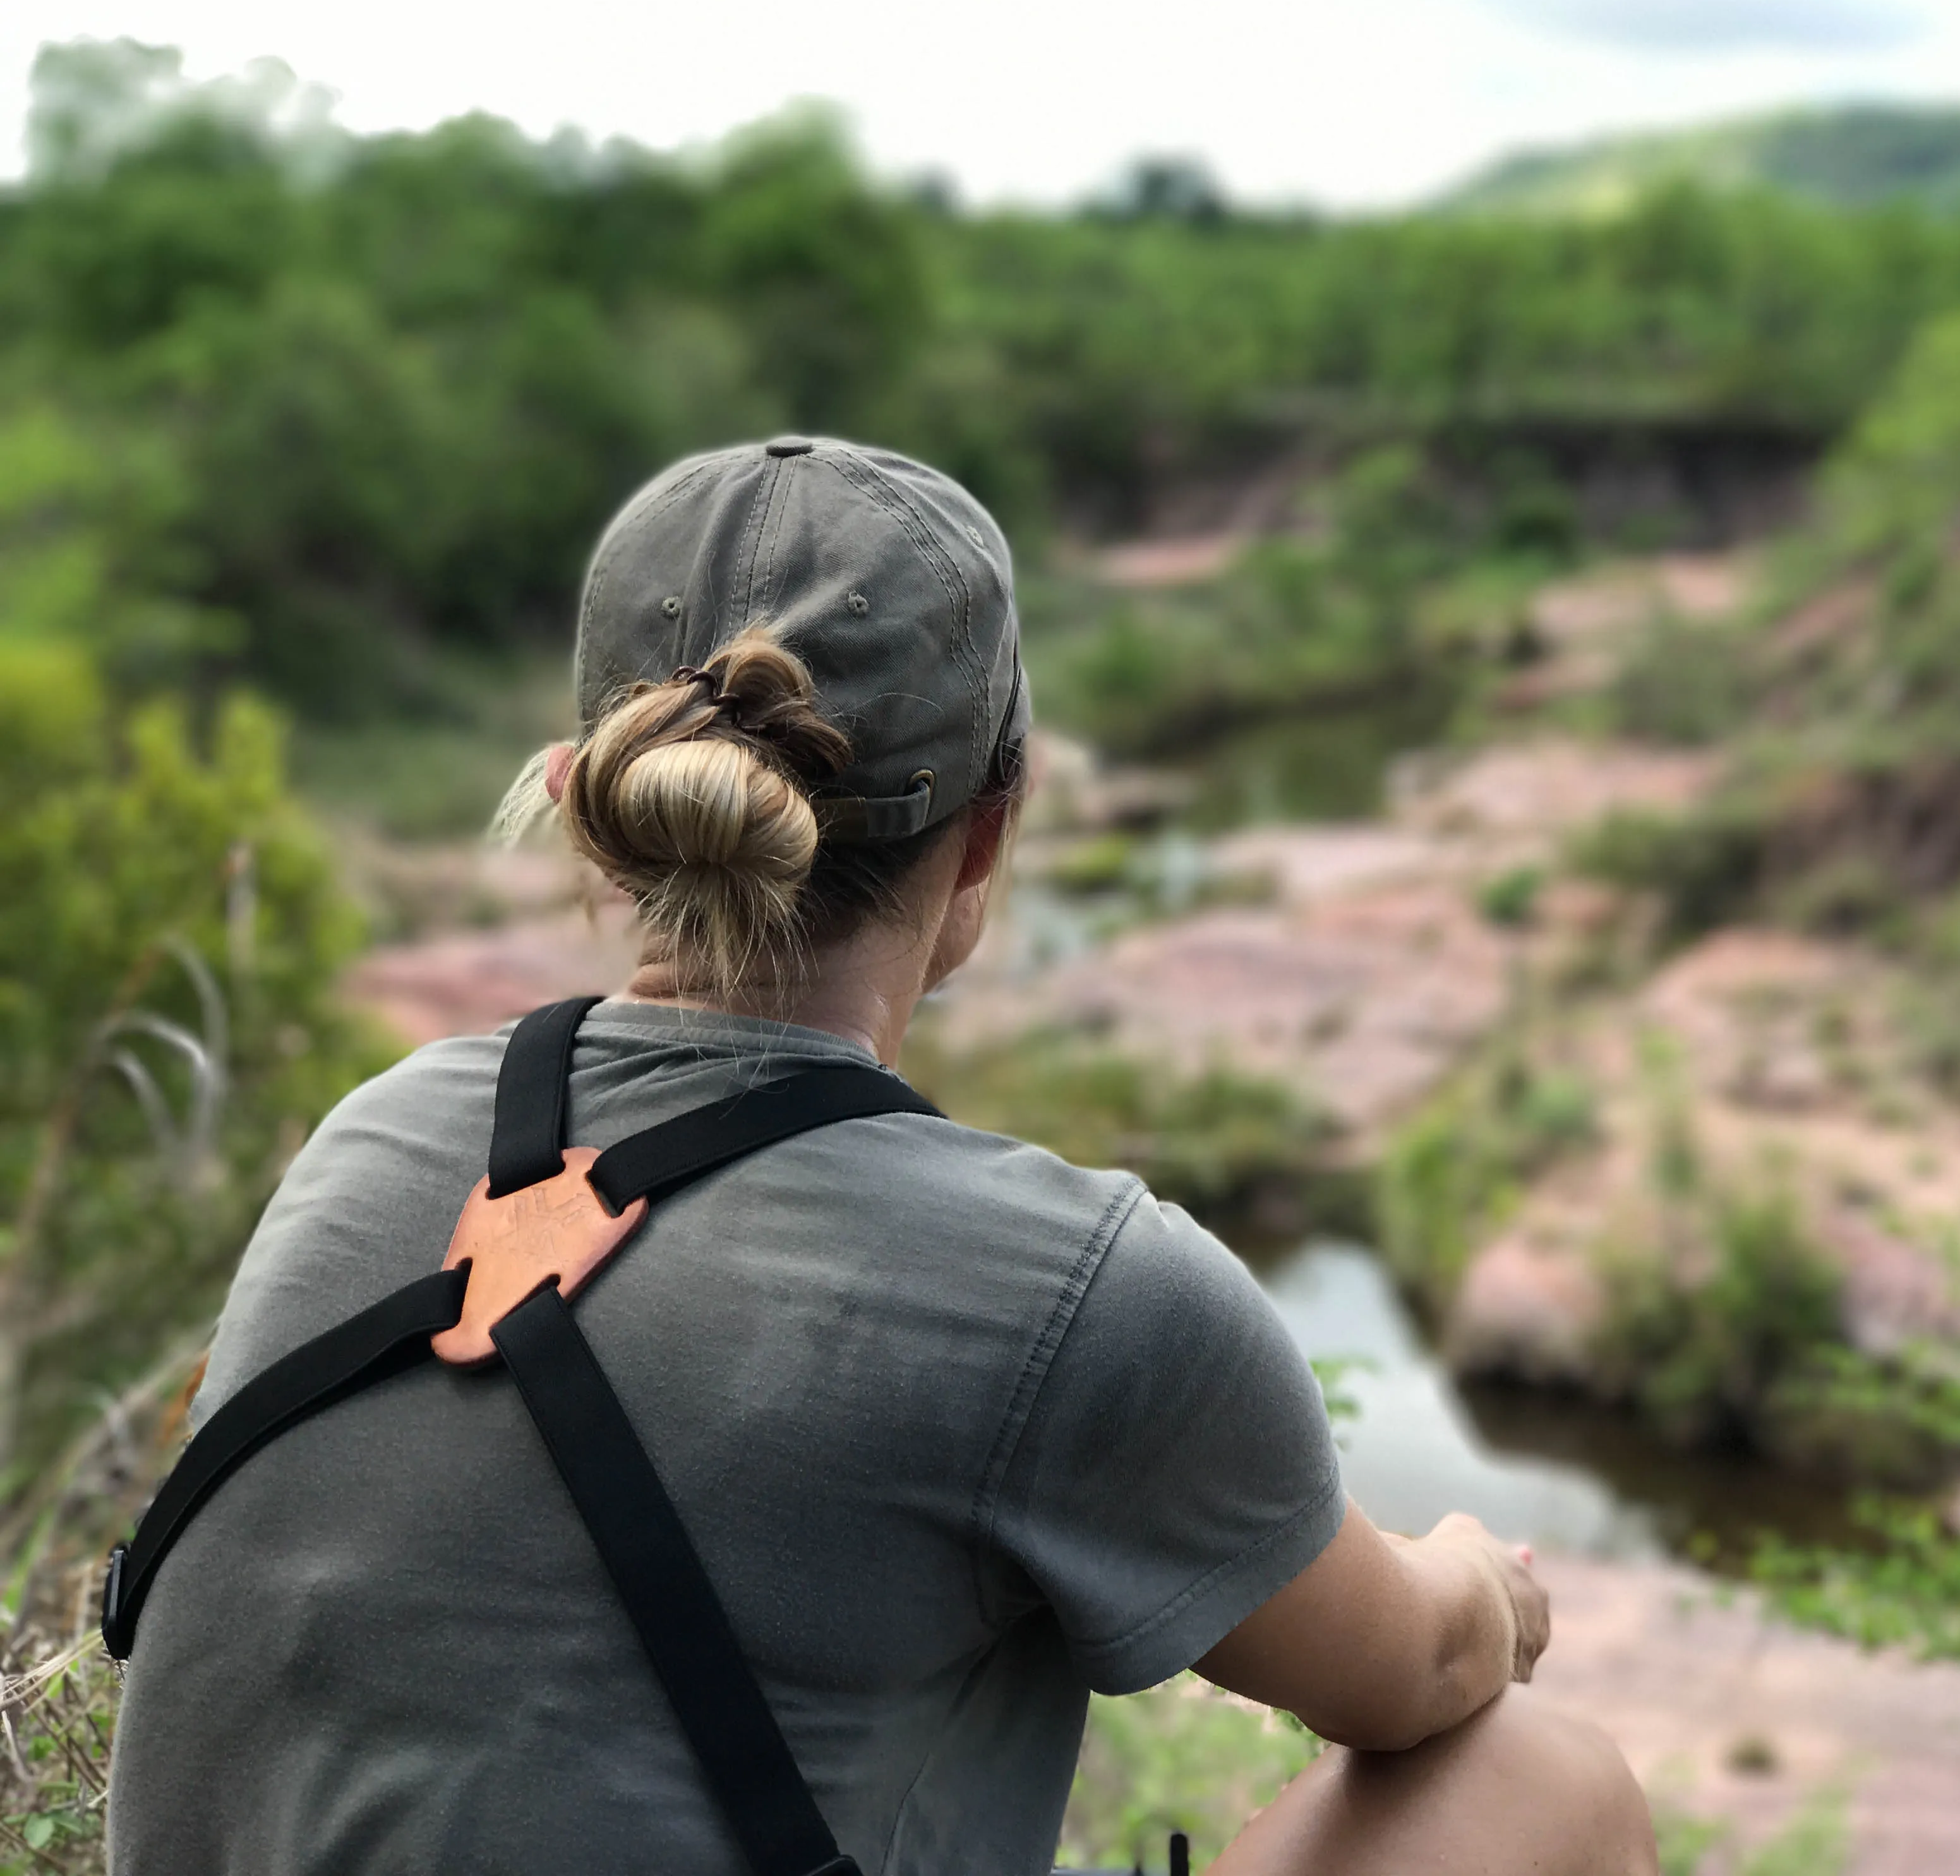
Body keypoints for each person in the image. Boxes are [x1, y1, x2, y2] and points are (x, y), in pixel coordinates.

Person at [105, 436, 1658, 1876]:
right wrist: (1476, 1577)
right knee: (1546, 1780)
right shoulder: (1078, 1289)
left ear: (587, 808)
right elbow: (1424, 1672)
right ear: (992, 833)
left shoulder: (369, 1130)